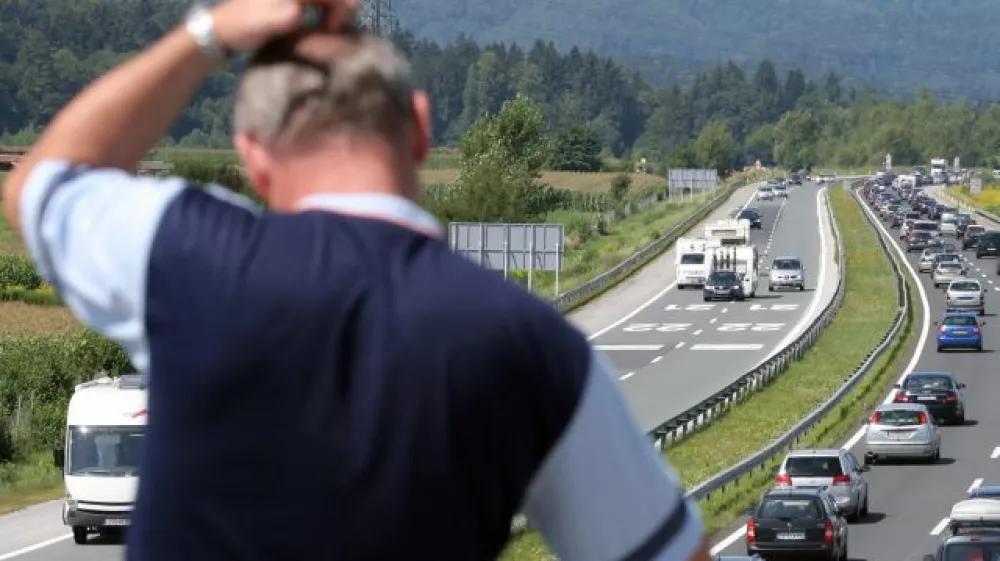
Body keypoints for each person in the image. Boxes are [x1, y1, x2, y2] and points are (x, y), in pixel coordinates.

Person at [1, 1, 714, 559]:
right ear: (420, 127)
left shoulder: (188, 259)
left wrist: (209, 32)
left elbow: (44, 181)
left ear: (252, 155)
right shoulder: (529, 344)